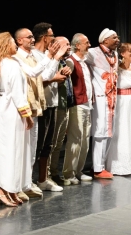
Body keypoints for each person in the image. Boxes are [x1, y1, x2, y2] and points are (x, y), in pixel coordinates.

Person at [0, 32, 35, 207]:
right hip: (13, 110)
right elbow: (17, 92)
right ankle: (3, 190)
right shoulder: (9, 64)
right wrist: (27, 115)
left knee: (15, 150)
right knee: (11, 150)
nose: (16, 46)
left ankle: (11, 189)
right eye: (12, 43)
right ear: (4, 45)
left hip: (9, 108)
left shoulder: (5, 63)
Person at [13, 28, 64, 198]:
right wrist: (50, 56)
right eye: (29, 37)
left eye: (33, 37)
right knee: (23, 147)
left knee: (33, 147)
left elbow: (46, 75)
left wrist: (55, 59)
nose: (33, 39)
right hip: (23, 107)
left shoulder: (33, 56)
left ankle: (27, 183)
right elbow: (34, 73)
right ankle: (18, 184)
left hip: (36, 105)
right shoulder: (16, 58)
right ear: (19, 40)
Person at [32, 22, 69, 191]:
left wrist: (61, 75)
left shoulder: (49, 55)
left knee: (48, 144)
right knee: (38, 144)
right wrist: (55, 77)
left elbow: (51, 76)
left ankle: (43, 179)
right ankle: (29, 180)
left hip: (52, 101)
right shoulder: (34, 55)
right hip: (41, 104)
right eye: (52, 36)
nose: (54, 40)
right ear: (45, 38)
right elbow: (40, 77)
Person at [106, 43, 131, 175]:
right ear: (122, 54)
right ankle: (120, 165)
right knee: (122, 130)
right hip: (121, 101)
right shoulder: (117, 69)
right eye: (129, 51)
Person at [85, 28, 120, 179]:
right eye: (114, 37)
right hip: (100, 97)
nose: (118, 40)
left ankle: (100, 165)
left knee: (108, 132)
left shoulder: (115, 54)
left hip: (112, 97)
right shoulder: (93, 52)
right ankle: (98, 169)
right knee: (100, 132)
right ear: (105, 40)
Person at [62, 33, 93, 185]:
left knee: (85, 140)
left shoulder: (84, 62)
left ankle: (78, 171)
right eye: (86, 42)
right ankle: (69, 173)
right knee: (75, 139)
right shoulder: (71, 61)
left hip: (87, 104)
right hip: (78, 104)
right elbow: (66, 81)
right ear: (78, 45)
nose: (89, 44)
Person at [48, 36, 73, 186]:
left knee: (58, 142)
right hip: (56, 106)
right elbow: (47, 82)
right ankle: (48, 174)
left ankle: (54, 172)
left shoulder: (65, 62)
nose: (69, 47)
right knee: (52, 142)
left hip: (65, 105)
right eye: (67, 44)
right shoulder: (53, 62)